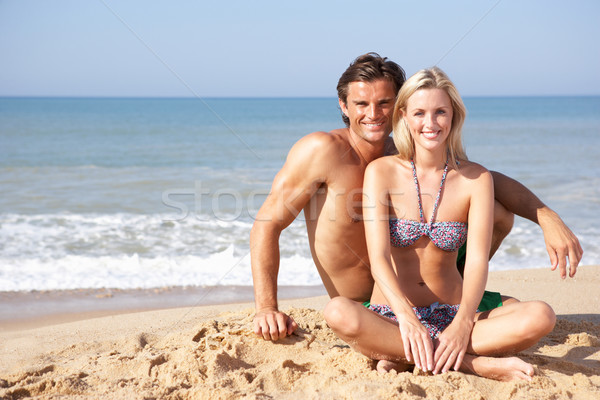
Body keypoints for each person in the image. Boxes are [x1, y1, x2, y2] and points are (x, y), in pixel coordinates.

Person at [250, 53, 583, 342]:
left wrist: (545, 216)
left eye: (384, 103)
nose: (374, 114)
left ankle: (455, 304)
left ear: (400, 106)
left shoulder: (405, 154)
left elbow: (482, 179)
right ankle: (459, 345)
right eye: (361, 104)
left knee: (498, 212)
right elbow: (267, 225)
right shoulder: (323, 151)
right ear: (343, 106)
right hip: (367, 305)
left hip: (430, 294)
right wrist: (266, 308)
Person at [323, 67, 556, 381]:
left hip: (453, 314)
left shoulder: (477, 179)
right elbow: (378, 258)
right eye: (419, 113)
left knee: (541, 315)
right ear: (404, 116)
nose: (430, 123)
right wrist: (407, 317)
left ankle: (408, 355)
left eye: (440, 112)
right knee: (338, 311)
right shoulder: (381, 172)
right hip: (393, 317)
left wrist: (461, 325)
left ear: (454, 116)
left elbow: (475, 262)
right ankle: (472, 364)